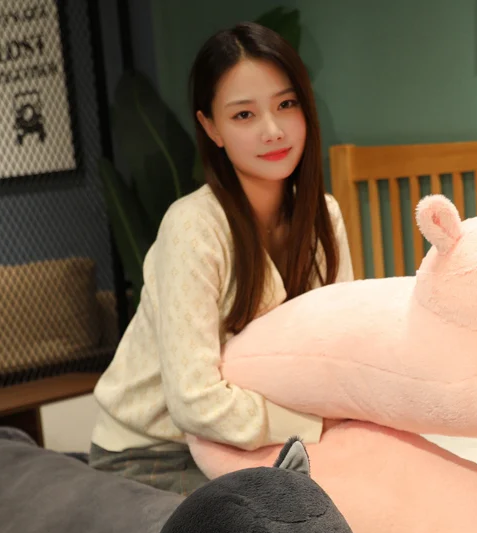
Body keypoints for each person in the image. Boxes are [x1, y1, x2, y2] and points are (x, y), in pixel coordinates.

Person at [88, 21, 354, 495]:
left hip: (266, 443)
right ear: (211, 128)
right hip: (150, 453)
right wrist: (312, 425)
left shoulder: (323, 216)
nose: (273, 130)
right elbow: (194, 401)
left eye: (286, 104)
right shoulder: (192, 226)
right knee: (288, 521)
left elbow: (341, 351)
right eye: (244, 115)